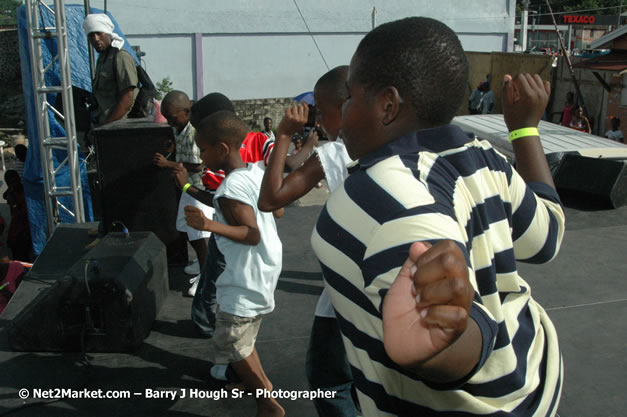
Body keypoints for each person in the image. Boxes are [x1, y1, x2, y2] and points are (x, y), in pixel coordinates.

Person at [310, 17, 565, 416]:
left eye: (350, 97)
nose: (342, 113)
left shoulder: (376, 195)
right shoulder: (486, 157)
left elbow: (457, 344)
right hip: (536, 378)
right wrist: (524, 131)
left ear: (388, 105)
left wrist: (437, 349)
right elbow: (545, 237)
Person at [258, 66, 357, 417]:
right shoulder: (409, 150)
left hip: (346, 295)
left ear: (344, 108)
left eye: (320, 109)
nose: (317, 119)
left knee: (330, 382)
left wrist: (285, 135)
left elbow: (270, 199)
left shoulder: (337, 155)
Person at [183, 110, 284, 417]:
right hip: (263, 269)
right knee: (242, 339)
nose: (201, 157)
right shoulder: (255, 173)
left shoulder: (228, 189)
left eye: (204, 149)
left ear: (222, 148)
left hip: (243, 277)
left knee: (229, 340)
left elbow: (250, 234)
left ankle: (267, 401)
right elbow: (277, 211)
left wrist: (207, 224)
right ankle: (261, 388)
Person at [152, 90, 209, 295]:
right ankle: (201, 262)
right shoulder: (179, 127)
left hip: (198, 189)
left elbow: (197, 165)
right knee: (188, 229)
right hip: (186, 187)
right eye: (166, 118)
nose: (169, 122)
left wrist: (168, 163)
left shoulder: (194, 133)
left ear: (187, 111)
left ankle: (206, 276)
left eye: (172, 118)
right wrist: (173, 147)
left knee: (199, 234)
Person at [83, 13, 138, 127]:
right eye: (91, 35)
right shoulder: (103, 59)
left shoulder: (121, 57)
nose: (96, 39)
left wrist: (106, 126)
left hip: (120, 126)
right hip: (106, 123)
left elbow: (127, 98)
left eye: (99, 33)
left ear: (108, 33)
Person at [3, 170, 32, 262]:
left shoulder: (24, 192)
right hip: (17, 231)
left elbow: (23, 214)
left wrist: (15, 203)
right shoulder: (12, 192)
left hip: (25, 230)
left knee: (23, 258)